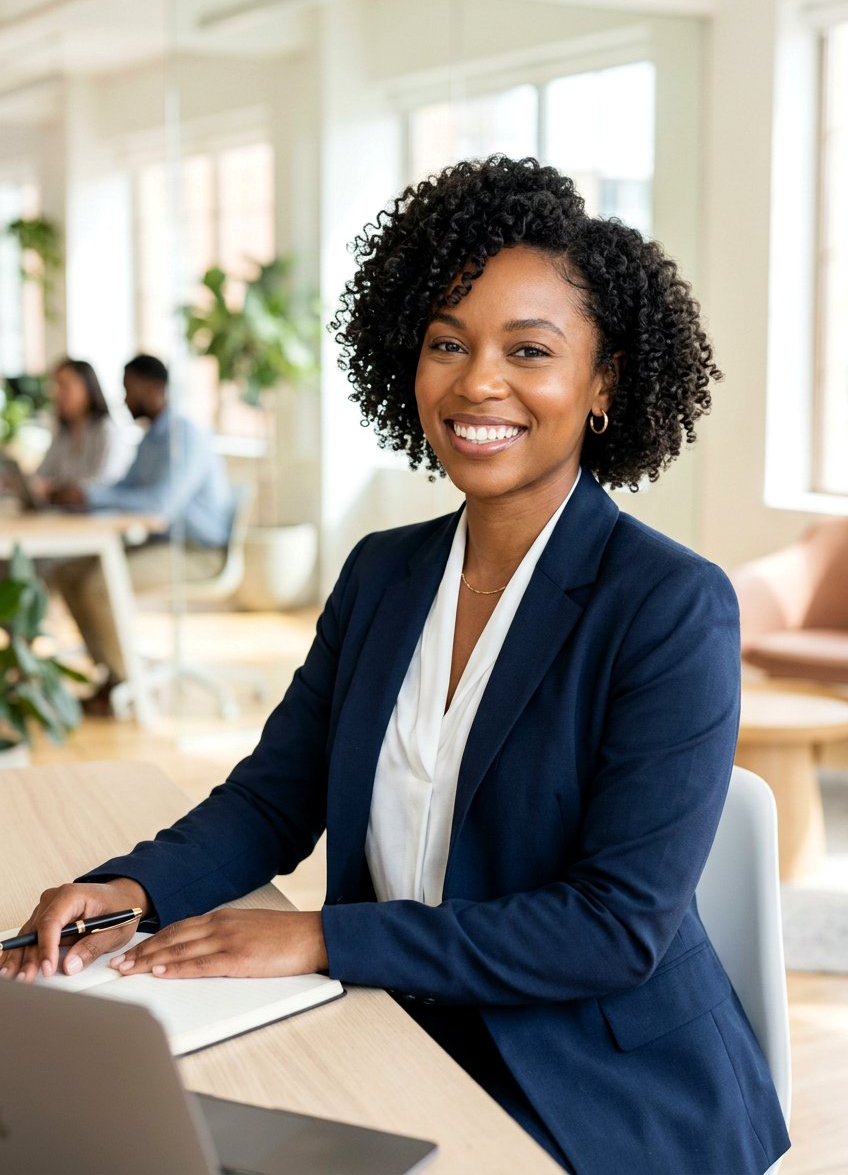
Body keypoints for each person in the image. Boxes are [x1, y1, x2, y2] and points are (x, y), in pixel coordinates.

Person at [2, 158, 789, 1174]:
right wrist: (127, 887)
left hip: (595, 1082)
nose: (477, 383)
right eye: (446, 343)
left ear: (602, 381)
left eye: (528, 350)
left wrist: (328, 936)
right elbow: (273, 799)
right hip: (399, 1021)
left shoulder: (667, 605)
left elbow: (609, 928)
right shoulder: (383, 572)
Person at [50, 353, 234, 712]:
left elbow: (158, 505)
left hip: (198, 552)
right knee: (69, 573)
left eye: (128, 390)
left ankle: (128, 686)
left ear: (153, 390)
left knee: (99, 584)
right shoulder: (151, 438)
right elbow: (125, 488)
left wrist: (91, 495)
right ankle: (112, 673)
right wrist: (86, 495)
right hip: (162, 544)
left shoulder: (185, 437)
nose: (122, 399)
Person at [31, 358, 131, 497]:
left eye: (64, 386)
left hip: (99, 516)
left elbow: (105, 485)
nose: (57, 394)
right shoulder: (63, 432)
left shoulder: (106, 430)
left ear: (88, 389)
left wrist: (54, 488)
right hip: (65, 514)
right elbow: (41, 475)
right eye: (55, 387)